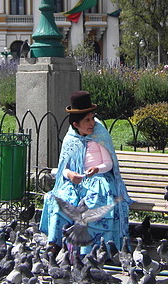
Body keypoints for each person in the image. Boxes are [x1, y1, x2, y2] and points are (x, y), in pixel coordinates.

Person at [40, 91, 132, 254]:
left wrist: (97, 169)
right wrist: (70, 175)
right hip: (75, 182)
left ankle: (90, 250)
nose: (92, 123)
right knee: (58, 199)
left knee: (91, 204)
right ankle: (55, 245)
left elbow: (109, 163)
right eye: (87, 120)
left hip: (98, 180)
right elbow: (63, 168)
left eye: (92, 118)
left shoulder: (100, 135)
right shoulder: (70, 139)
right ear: (76, 124)